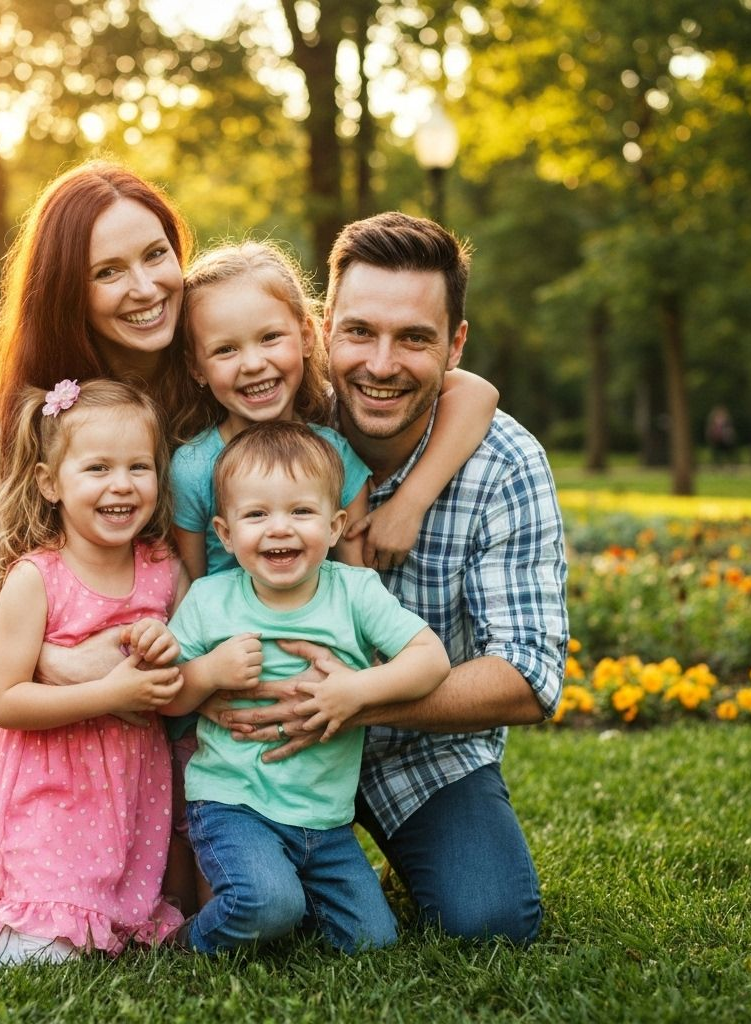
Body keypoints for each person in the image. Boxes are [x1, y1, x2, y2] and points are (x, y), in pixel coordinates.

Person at [214, 212, 569, 945]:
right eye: (360, 332)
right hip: (259, 751)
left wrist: (351, 701)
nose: (380, 363)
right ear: (322, 329)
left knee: (493, 922)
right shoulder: (278, 417)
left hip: (419, 752)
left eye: (414, 338)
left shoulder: (504, 464)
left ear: (455, 344)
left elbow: (529, 677)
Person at [0, 380, 187, 963]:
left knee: (115, 938)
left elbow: (178, 677)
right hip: (45, 790)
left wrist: (165, 648)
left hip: (123, 793)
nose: (121, 484)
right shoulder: (36, 580)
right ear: (51, 483)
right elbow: (6, 701)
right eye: (97, 467)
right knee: (48, 953)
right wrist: (107, 691)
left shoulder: (162, 572)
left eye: (138, 467)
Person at [162, 421, 450, 954]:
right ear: (224, 534)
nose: (279, 529)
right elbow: (169, 696)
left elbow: (430, 659)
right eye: (256, 514)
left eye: (301, 511)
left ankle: (289, 899)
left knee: (373, 943)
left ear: (337, 524)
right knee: (268, 905)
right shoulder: (209, 600)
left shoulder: (354, 592)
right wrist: (210, 673)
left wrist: (358, 691)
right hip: (234, 803)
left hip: (326, 821)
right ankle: (183, 942)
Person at [0, 158, 192, 678]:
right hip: (73, 721)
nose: (146, 288)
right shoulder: (36, 410)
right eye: (109, 272)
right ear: (67, 292)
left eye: (156, 254)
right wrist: (62, 664)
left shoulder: (216, 368)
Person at [167, 239, 500, 578]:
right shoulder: (192, 469)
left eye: (270, 338)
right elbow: (191, 586)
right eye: (225, 350)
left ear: (308, 336)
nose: (253, 364)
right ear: (196, 368)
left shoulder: (334, 449)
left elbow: (358, 584)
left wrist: (409, 504)